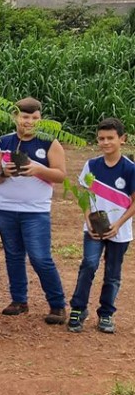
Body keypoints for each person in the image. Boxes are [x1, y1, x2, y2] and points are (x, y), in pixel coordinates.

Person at [0, 97, 69, 324]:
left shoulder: (49, 143)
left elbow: (61, 175)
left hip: (35, 211)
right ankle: (19, 300)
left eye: (34, 117)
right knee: (13, 255)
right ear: (15, 117)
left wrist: (38, 169)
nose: (29, 121)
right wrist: (5, 172)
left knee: (40, 257)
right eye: (24, 116)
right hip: (6, 209)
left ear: (40, 119)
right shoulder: (2, 143)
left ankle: (57, 304)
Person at [67, 118, 135, 334]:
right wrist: (88, 217)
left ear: (122, 139)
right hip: (94, 229)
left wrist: (119, 223)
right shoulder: (92, 165)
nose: (105, 143)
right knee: (88, 264)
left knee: (113, 274)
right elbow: (85, 194)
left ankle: (106, 313)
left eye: (110, 138)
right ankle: (78, 309)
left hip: (119, 230)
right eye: (101, 138)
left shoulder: (130, 169)